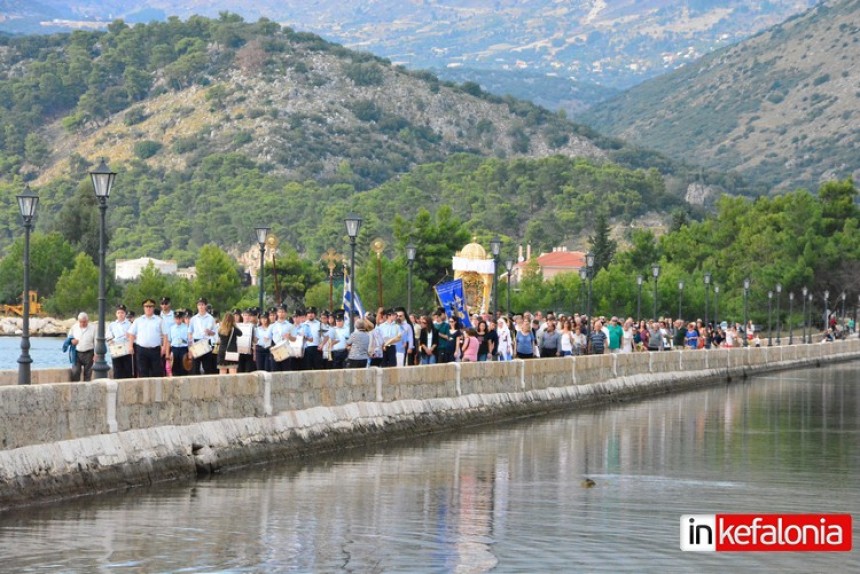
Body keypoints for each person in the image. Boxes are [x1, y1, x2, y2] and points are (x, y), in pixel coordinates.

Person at [127, 299, 168, 378]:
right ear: (144, 308)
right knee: (142, 372)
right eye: (146, 307)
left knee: (157, 372)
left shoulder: (159, 320)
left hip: (155, 350)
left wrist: (164, 347)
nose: (148, 308)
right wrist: (130, 346)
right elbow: (131, 334)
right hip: (141, 350)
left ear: (153, 308)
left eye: (150, 307)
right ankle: (145, 390)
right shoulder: (138, 320)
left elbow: (165, 335)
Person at [189, 298, 217, 375]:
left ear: (205, 306)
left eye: (202, 304)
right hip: (196, 342)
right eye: (199, 305)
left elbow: (215, 333)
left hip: (206, 341)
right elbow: (190, 333)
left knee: (207, 367)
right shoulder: (193, 319)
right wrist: (190, 347)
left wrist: (210, 332)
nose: (200, 307)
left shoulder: (210, 318)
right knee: (195, 367)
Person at [68, 312, 96, 381]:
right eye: (81, 322)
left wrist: (96, 354)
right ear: (78, 321)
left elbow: (97, 342)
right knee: (75, 372)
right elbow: (69, 337)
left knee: (88, 374)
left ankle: (86, 390)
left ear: (87, 321)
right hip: (77, 353)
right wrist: (72, 341)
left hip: (89, 353)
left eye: (84, 322)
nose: (83, 323)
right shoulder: (74, 327)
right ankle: (75, 389)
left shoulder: (93, 328)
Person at [107, 304, 133, 379]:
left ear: (125, 314)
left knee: (127, 368)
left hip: (126, 348)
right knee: (117, 369)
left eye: (122, 312)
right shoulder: (112, 325)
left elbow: (133, 335)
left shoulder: (129, 324)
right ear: (116, 314)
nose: (120, 314)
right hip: (116, 348)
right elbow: (108, 336)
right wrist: (110, 340)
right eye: (118, 313)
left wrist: (129, 336)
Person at [168, 309, 189, 376]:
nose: (178, 320)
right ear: (174, 319)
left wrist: (183, 341)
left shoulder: (186, 327)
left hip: (183, 348)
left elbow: (189, 340)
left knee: (184, 366)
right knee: (174, 367)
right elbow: (169, 341)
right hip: (174, 349)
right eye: (176, 318)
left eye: (179, 318)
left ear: (182, 318)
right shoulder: (171, 328)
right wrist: (168, 352)